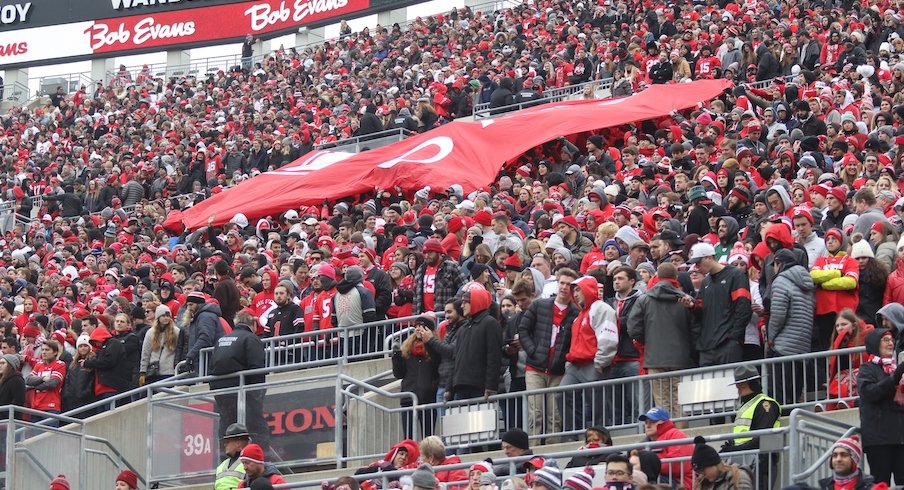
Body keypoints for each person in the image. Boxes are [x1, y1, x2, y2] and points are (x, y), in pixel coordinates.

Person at [628, 263, 695, 423]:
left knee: (662, 403)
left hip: (654, 358)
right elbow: (695, 327)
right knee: (680, 402)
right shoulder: (686, 300)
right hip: (681, 358)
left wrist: (648, 341)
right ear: (676, 278)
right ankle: (681, 440)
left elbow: (633, 328)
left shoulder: (644, 299)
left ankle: (667, 440)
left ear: (656, 277)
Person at [519, 268, 579, 441]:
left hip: (558, 371)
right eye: (562, 283)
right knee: (535, 412)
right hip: (535, 368)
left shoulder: (575, 312)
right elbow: (523, 329)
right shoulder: (540, 305)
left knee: (555, 415)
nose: (564, 287)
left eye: (569, 284)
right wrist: (533, 351)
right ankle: (534, 451)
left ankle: (553, 449)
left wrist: (565, 359)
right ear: (557, 283)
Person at [561, 275, 617, 432]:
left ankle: (601, 434)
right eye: (575, 291)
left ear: (588, 289)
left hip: (593, 363)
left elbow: (608, 339)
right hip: (575, 365)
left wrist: (600, 363)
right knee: (562, 395)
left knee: (597, 402)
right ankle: (572, 433)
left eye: (578, 289)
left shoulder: (602, 309)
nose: (576, 293)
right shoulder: (579, 315)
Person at [209, 309, 269, 450]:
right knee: (256, 426)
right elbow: (257, 368)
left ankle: (225, 456)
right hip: (244, 393)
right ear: (253, 323)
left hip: (222, 393)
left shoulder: (222, 339)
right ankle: (262, 455)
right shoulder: (251, 338)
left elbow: (212, 366)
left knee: (227, 425)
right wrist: (257, 395)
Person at [686, 242, 752, 366]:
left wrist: (734, 338)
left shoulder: (735, 275)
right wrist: (692, 306)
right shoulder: (705, 282)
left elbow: (743, 308)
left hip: (727, 345)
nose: (696, 267)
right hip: (707, 347)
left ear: (710, 257)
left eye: (698, 262)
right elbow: (701, 309)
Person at [765, 248, 815, 409]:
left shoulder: (781, 281)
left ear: (779, 264)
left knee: (781, 397)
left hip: (784, 346)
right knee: (794, 394)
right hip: (802, 346)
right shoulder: (807, 281)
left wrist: (770, 337)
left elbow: (778, 315)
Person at [856, 328, 904, 485]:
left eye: (891, 340)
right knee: (881, 484)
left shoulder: (896, 368)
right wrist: (895, 377)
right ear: (875, 344)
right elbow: (871, 393)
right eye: (886, 340)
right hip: (879, 439)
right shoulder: (866, 369)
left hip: (900, 437)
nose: (891, 343)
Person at [720, 365, 780, 490]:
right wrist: (731, 445)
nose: (738, 389)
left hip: (760, 461)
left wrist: (734, 449)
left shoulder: (765, 404)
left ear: (746, 384)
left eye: (741, 385)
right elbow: (741, 432)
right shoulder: (745, 406)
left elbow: (762, 437)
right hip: (744, 459)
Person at [450, 283, 502, 401]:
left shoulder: (490, 324)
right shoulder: (463, 329)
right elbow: (455, 360)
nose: (461, 306)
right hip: (460, 386)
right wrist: (450, 387)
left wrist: (490, 386)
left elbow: (494, 357)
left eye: (465, 302)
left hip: (479, 387)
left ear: (476, 302)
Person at [392, 313, 439, 439]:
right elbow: (399, 374)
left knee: (428, 437)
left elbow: (439, 370)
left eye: (422, 326)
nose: (418, 329)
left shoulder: (435, 347)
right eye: (416, 326)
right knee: (408, 438)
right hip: (408, 398)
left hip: (427, 399)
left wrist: (431, 388)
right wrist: (396, 356)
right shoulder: (407, 348)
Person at [638, 407, 694, 488]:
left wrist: (648, 466)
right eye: (646, 422)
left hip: (679, 483)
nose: (648, 425)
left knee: (648, 482)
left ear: (663, 422)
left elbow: (677, 465)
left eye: (653, 422)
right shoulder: (644, 443)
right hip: (661, 478)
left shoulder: (676, 435)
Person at [414, 238, 467, 314]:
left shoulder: (451, 266)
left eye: (430, 252)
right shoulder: (420, 270)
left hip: (444, 314)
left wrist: (454, 306)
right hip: (424, 316)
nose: (427, 255)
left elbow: (464, 288)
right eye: (425, 253)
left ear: (438, 252)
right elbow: (416, 297)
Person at [83, 325, 130, 411]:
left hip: (110, 388)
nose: (96, 344)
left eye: (95, 341)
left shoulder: (113, 343)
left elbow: (108, 362)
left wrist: (88, 363)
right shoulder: (101, 350)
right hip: (100, 390)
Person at [181, 291, 225, 374]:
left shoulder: (205, 316)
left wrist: (191, 355)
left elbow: (205, 338)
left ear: (199, 304)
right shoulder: (201, 316)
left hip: (208, 361)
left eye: (191, 304)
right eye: (187, 305)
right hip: (204, 360)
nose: (189, 308)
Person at [25, 340, 66, 425]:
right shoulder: (38, 365)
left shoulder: (60, 364)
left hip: (51, 406)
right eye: (42, 350)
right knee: (37, 437)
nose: (43, 352)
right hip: (36, 406)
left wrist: (34, 386)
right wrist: (43, 378)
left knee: (50, 436)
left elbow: (52, 383)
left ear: (55, 352)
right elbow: (28, 380)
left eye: (47, 350)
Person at [139, 304, 180, 386]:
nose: (166, 318)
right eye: (163, 316)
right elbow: (145, 353)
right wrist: (143, 371)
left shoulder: (176, 331)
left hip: (169, 371)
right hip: (153, 371)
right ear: (158, 317)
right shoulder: (150, 332)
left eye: (168, 316)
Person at [61, 335, 94, 415]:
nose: (83, 348)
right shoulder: (73, 364)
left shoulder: (92, 361)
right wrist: (66, 394)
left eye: (85, 346)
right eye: (80, 346)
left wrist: (85, 393)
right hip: (71, 400)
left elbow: (92, 380)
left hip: (85, 401)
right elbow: (67, 380)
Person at [216, 423, 251, 490]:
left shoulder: (250, 463)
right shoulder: (221, 466)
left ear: (238, 443)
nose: (225, 445)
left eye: (228, 442)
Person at [0, 354, 25, 420]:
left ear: (11, 366)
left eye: (3, 363)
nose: (0, 365)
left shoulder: (17, 380)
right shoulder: (2, 381)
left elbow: (18, 401)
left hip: (9, 422)